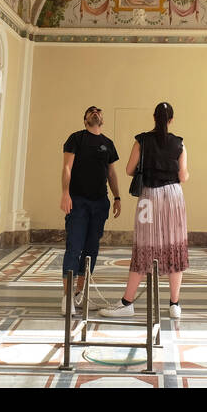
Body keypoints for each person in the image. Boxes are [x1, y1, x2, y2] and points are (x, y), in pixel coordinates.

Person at [100, 102, 189, 319]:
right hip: (173, 198)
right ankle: (174, 305)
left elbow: (130, 169)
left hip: (148, 197)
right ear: (171, 120)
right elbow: (184, 176)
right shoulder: (179, 143)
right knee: (175, 246)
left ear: (153, 117)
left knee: (143, 245)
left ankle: (127, 302)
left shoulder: (142, 140)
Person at [60, 106, 121, 312]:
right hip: (77, 201)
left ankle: (79, 293)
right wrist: (65, 193)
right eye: (91, 111)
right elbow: (67, 167)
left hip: (100, 203)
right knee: (74, 248)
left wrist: (117, 197)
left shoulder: (108, 144)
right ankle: (67, 298)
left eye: (99, 111)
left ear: (101, 119)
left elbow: (112, 173)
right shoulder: (76, 138)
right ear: (85, 118)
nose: (95, 112)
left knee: (91, 250)